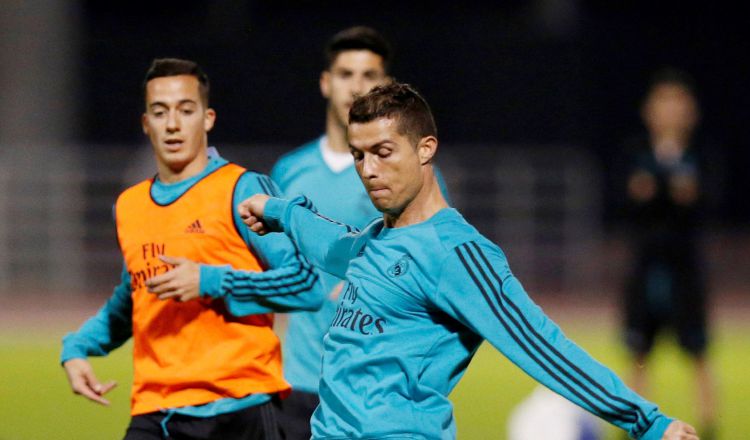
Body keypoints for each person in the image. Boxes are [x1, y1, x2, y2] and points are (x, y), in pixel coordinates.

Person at [239, 82, 699, 439]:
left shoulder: (457, 253)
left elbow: (544, 346)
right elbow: (332, 242)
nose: (369, 171)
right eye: (359, 156)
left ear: (426, 150)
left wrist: (647, 421)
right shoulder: (378, 239)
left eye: (383, 152)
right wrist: (279, 212)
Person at [61, 58, 322, 440]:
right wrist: (78, 347)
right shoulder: (130, 206)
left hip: (239, 407)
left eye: (186, 110)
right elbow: (133, 295)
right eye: (160, 112)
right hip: (155, 411)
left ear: (208, 118)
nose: (172, 124)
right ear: (145, 123)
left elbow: (306, 283)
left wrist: (211, 280)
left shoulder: (242, 190)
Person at [269, 26, 449, 439]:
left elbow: (436, 261)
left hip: (378, 387)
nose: (356, 86)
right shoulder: (289, 170)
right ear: (326, 83)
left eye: (369, 76)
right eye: (346, 74)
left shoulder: (410, 175)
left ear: (387, 86)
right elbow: (276, 265)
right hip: (299, 381)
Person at [621, 69, 716, 438]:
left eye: (677, 103)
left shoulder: (702, 156)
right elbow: (628, 202)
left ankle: (709, 427)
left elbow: (703, 203)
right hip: (645, 268)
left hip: (685, 269)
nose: (670, 111)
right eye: (663, 102)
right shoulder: (636, 152)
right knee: (638, 351)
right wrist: (668, 192)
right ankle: (633, 424)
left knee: (699, 351)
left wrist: (659, 193)